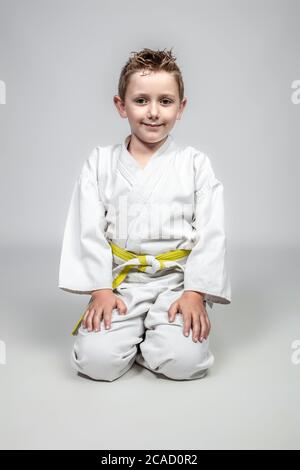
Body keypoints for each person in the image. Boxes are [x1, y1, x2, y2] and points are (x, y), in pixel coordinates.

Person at [58, 47, 231, 382]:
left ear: (181, 108)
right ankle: (131, 335)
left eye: (165, 101)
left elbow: (212, 233)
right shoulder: (100, 163)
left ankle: (159, 334)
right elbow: (88, 230)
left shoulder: (195, 164)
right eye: (141, 101)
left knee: (184, 362)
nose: (153, 112)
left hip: (177, 284)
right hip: (120, 284)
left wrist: (195, 293)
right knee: (96, 362)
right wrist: (100, 290)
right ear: (121, 105)